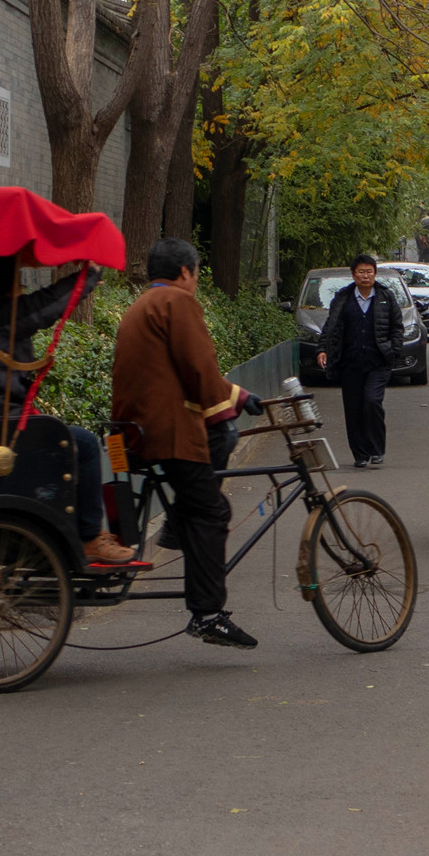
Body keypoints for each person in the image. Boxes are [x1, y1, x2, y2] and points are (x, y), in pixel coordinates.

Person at [110, 237, 265, 648]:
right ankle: (208, 613)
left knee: (205, 483)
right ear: (184, 273)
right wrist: (239, 398)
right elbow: (200, 370)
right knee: (212, 512)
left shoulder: (142, 304)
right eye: (195, 275)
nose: (194, 282)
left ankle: (180, 523)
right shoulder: (177, 303)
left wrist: (234, 397)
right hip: (167, 431)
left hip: (135, 429)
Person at [0, 255, 136, 568]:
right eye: (18, 283)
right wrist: (88, 276)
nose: (21, 291)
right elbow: (46, 306)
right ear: (5, 286)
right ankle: (88, 538)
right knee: (83, 444)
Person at [315, 253, 401, 468]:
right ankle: (360, 454)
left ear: (375, 274)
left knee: (372, 401)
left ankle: (376, 449)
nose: (365, 276)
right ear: (353, 275)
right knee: (353, 409)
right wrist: (323, 349)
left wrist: (394, 350)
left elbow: (397, 327)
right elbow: (331, 326)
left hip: (378, 362)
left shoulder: (386, 297)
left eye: (369, 272)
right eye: (361, 272)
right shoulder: (343, 298)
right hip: (350, 363)